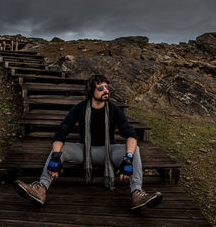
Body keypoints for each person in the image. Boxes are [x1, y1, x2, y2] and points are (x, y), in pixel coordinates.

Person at [14, 75, 162, 212]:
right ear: (92, 91)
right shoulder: (80, 108)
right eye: (101, 88)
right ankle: (41, 189)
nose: (106, 91)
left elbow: (130, 133)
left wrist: (128, 157)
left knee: (134, 149)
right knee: (59, 149)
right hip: (84, 150)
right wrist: (56, 157)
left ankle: (137, 194)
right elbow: (62, 131)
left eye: (107, 87)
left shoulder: (114, 109)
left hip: (108, 151)